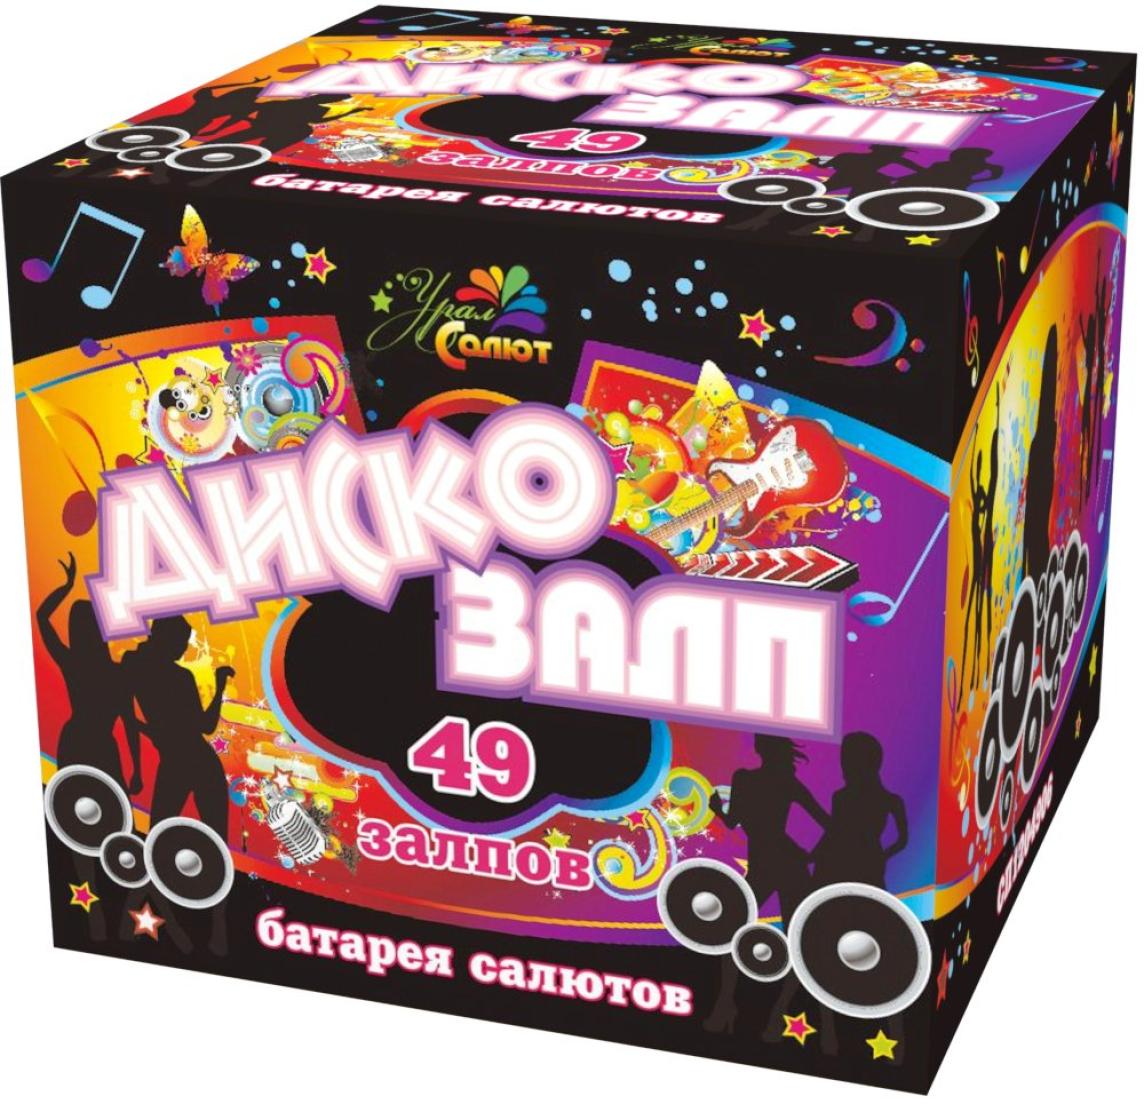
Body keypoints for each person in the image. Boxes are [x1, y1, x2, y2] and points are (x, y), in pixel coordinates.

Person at [38, 552, 142, 941]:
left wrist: (65, 587)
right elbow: (129, 724)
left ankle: (94, 907)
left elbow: (42, 620)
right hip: (101, 746)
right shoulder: (116, 672)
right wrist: (136, 769)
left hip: (76, 743)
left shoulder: (72, 663)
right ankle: (121, 908)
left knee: (79, 825)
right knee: (118, 826)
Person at [704, 735, 829, 1033]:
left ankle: (754, 1010)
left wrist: (716, 809)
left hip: (776, 864)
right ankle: (748, 1009)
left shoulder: (746, 779)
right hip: (782, 864)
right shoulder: (785, 783)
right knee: (784, 936)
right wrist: (811, 855)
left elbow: (733, 821)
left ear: (760, 749)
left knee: (748, 932)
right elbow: (828, 824)